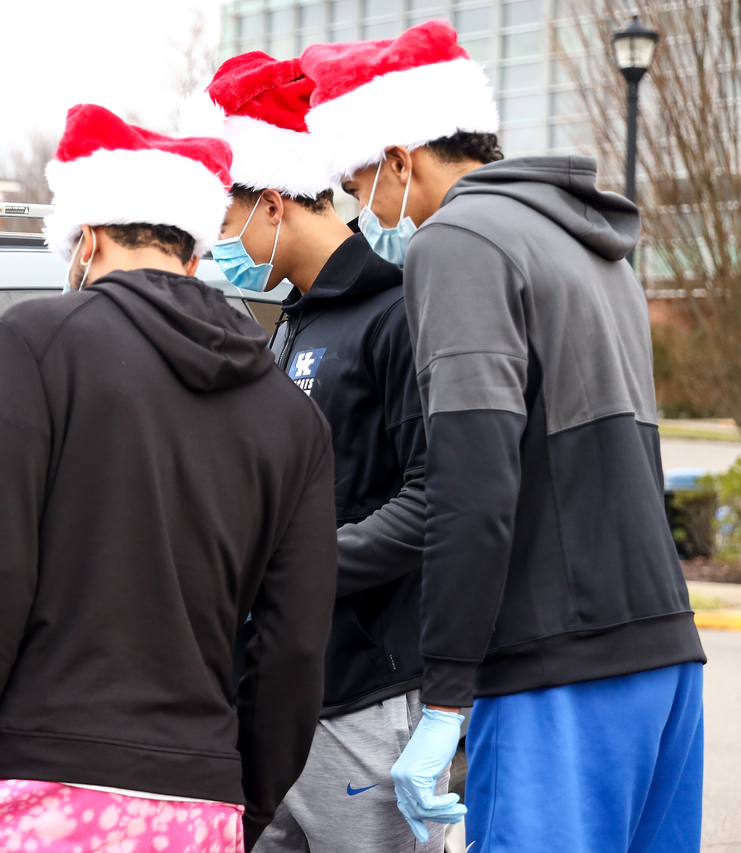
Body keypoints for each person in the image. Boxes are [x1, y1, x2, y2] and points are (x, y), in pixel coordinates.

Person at [302, 20, 707, 852]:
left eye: (358, 184)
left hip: (554, 666)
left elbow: (471, 487)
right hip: (663, 653)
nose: (363, 207)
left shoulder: (457, 240)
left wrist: (444, 699)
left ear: (398, 155)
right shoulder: (597, 246)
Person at [0, 104, 339, 853]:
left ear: (86, 240)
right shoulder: (291, 417)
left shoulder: (38, 345)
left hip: (39, 782)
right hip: (199, 803)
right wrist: (239, 805)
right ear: (194, 255)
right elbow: (293, 649)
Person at [184, 52, 439, 852]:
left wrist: (301, 569)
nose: (219, 249)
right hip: (279, 687)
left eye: (223, 226)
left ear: (270, 204)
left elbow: (432, 500)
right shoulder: (294, 319)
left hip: (365, 694)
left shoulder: (395, 315)